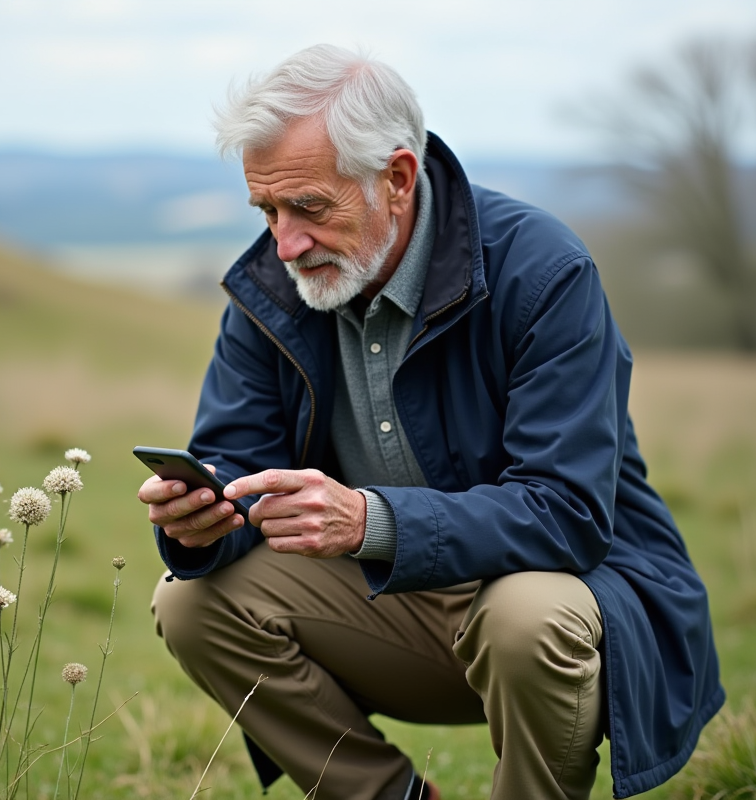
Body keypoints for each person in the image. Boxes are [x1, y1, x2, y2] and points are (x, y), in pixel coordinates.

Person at [138, 44, 724, 800]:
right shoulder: (272, 287)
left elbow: (569, 514)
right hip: (396, 615)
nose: (285, 243)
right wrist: (202, 518)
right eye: (268, 210)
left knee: (523, 615)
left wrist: (370, 521)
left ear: (398, 177)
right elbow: (238, 469)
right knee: (189, 602)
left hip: (569, 611)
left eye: (309, 207)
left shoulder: (543, 271)